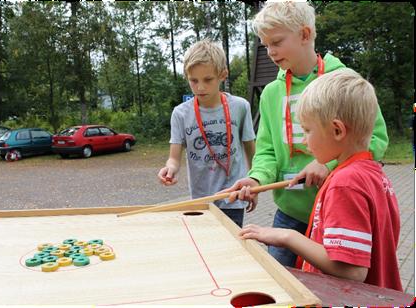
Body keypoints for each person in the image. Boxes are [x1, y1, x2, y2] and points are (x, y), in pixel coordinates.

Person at [222, 1, 388, 266]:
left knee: (336, 287)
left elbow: (376, 138)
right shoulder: (271, 93)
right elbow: (266, 150)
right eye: (265, 45)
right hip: (290, 212)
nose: (270, 52)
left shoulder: (344, 81)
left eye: (276, 42)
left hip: (338, 215)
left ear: (305, 34)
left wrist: (328, 164)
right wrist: (256, 179)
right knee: (281, 286)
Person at [239, 69, 402, 291]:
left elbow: (352, 271)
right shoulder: (372, 173)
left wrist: (288, 236)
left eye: (307, 130)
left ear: (337, 130)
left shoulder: (346, 183)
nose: (304, 140)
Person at [157, 40, 256, 227]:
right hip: (201, 201)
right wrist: (169, 169)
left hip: (232, 198)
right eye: (193, 80)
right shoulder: (180, 113)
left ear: (223, 75)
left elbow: (252, 152)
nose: (200, 87)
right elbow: (174, 159)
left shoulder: (240, 107)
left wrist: (255, 185)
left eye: (208, 80)